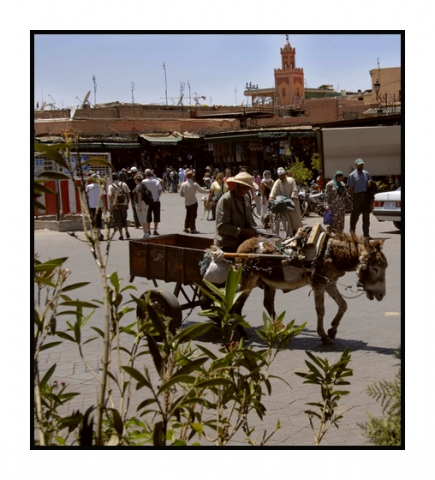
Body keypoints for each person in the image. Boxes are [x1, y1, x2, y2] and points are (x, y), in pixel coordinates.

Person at [214, 172, 259, 253]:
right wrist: (243, 232)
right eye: (238, 186)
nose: (240, 190)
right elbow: (222, 226)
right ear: (234, 185)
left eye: (244, 187)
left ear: (249, 188)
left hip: (242, 241)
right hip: (227, 244)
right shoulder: (226, 200)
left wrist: (254, 232)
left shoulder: (246, 197)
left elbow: (248, 222)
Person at [269, 167, 303, 236]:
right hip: (283, 207)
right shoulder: (277, 182)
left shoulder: (291, 180)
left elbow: (295, 190)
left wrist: (292, 198)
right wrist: (271, 199)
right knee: (287, 224)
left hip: (293, 205)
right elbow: (273, 192)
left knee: (297, 223)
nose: (281, 177)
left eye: (282, 175)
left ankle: (299, 235)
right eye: (279, 176)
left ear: (285, 174)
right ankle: (289, 236)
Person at [347, 158, 372, 238]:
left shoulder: (366, 174)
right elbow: (351, 188)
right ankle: (352, 231)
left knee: (366, 216)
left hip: (365, 196)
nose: (361, 166)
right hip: (357, 196)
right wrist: (354, 197)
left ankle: (366, 234)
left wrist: (369, 183)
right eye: (360, 164)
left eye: (362, 164)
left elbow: (370, 182)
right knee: (355, 215)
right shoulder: (352, 175)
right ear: (356, 165)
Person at [108, 172, 131, 240]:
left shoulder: (111, 186)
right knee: (124, 219)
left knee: (118, 220)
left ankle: (121, 235)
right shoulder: (124, 184)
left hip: (116, 205)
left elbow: (109, 195)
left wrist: (113, 204)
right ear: (118, 178)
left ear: (112, 178)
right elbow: (128, 194)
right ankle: (127, 231)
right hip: (124, 204)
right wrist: (127, 203)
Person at [86, 173, 105, 241]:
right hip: (99, 205)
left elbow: (87, 197)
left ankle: (97, 234)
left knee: (93, 220)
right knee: (98, 219)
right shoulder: (101, 186)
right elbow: (103, 197)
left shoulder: (88, 187)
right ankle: (98, 233)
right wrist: (104, 205)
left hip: (91, 205)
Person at [143, 168, 163, 235]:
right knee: (156, 216)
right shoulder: (156, 181)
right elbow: (160, 190)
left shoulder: (143, 182)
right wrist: (157, 196)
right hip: (156, 200)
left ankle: (148, 230)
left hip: (147, 201)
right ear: (152, 174)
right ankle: (155, 230)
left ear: (146, 175)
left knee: (148, 216)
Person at [133, 173, 150, 238]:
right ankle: (145, 232)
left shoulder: (138, 186)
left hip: (141, 203)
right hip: (146, 203)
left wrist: (139, 206)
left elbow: (139, 196)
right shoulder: (144, 185)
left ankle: (146, 233)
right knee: (144, 217)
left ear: (136, 180)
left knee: (142, 219)